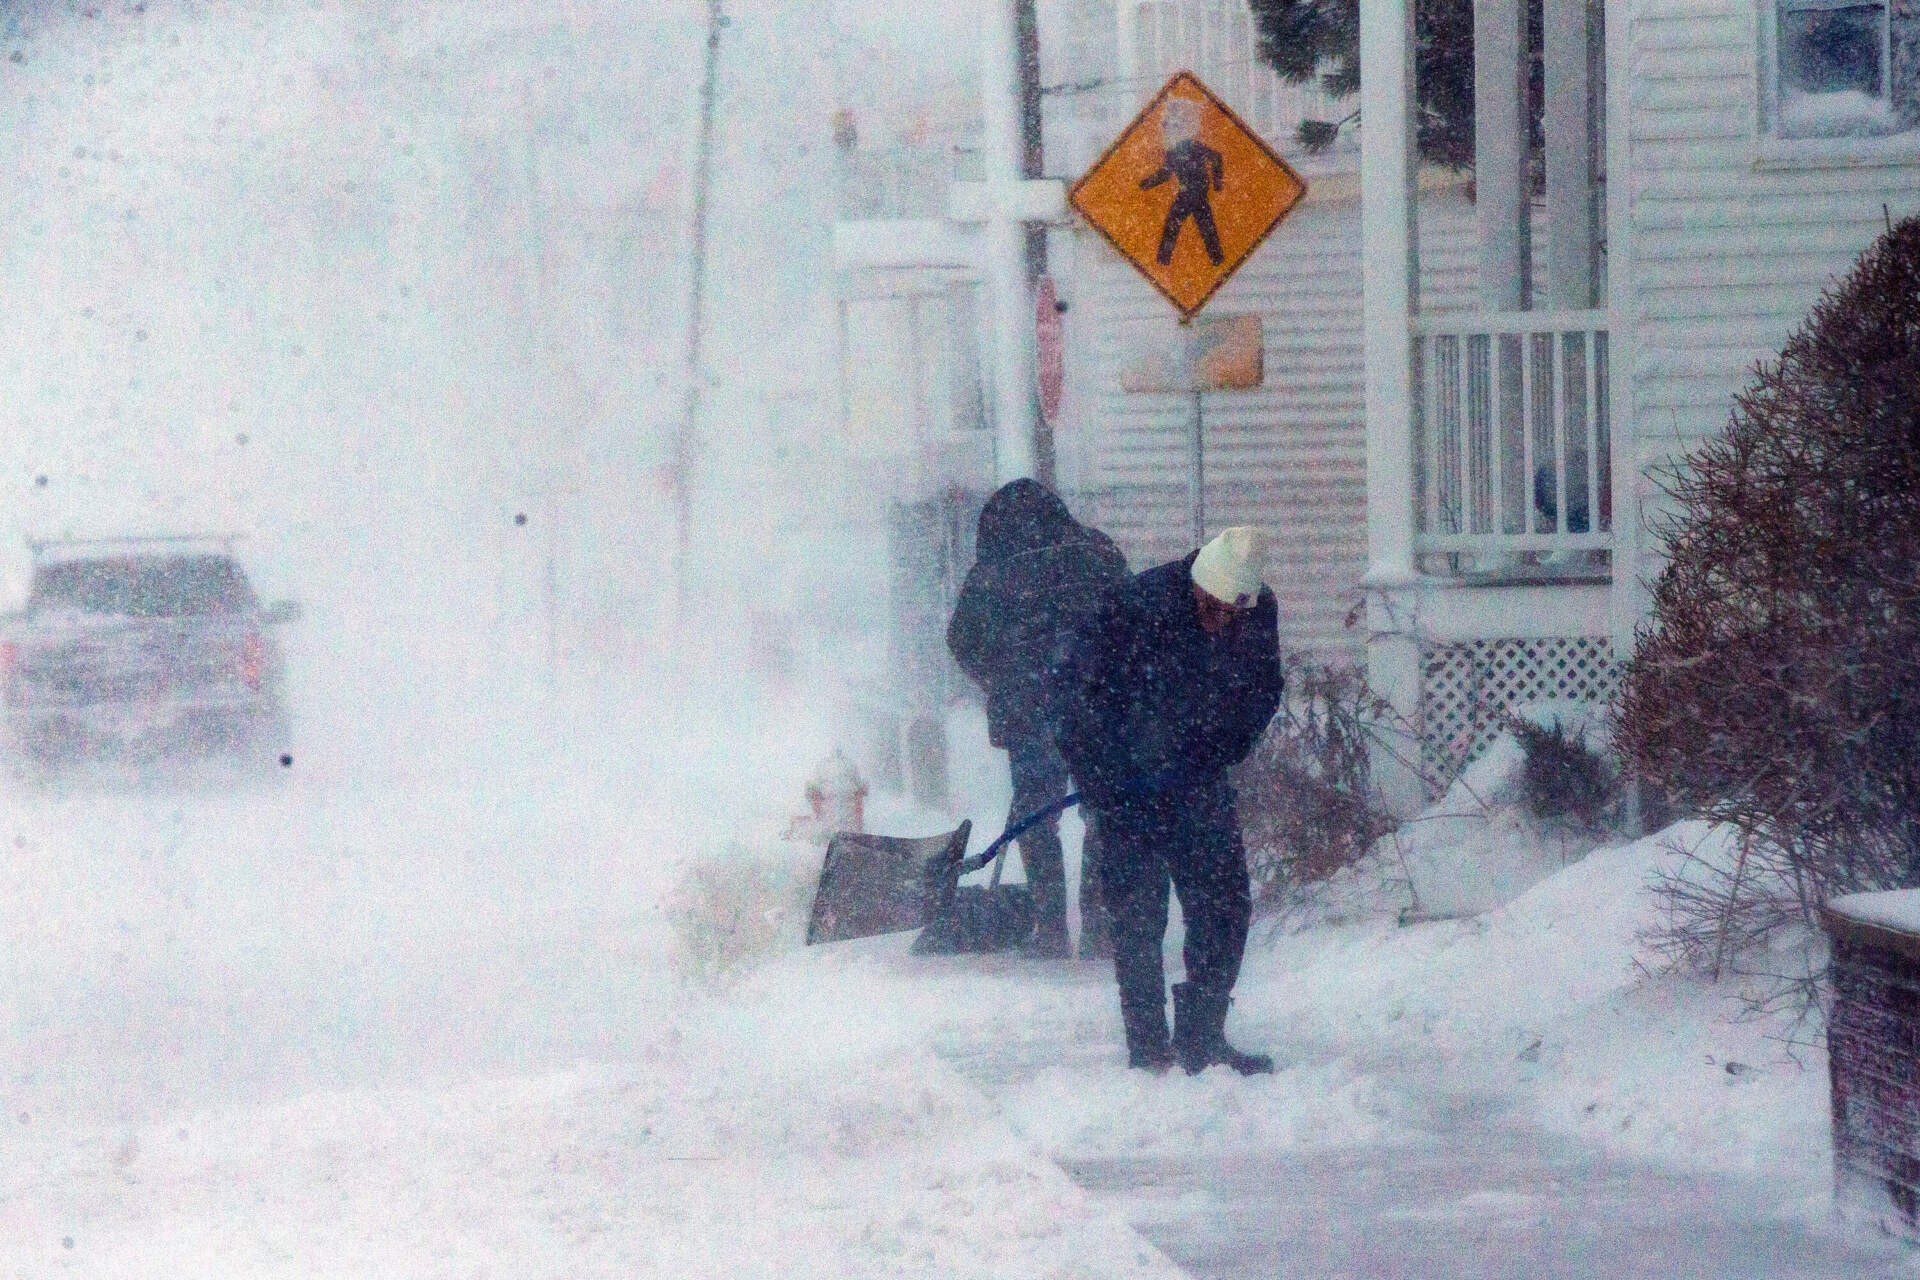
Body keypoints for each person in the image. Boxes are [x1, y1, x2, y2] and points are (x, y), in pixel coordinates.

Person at [1055, 526, 1282, 1074]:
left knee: (1224, 906)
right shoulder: (1135, 605)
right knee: (1137, 916)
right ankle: (1148, 1049)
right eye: (1212, 607)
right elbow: (1076, 695)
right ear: (1197, 585)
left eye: (1233, 612)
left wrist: (1217, 745)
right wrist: (1103, 773)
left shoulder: (1257, 613)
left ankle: (1203, 1039)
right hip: (1125, 791)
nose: (1221, 621)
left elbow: (1261, 690)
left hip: (1198, 783)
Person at [947, 479, 1130, 959]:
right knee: (1103, 812)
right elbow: (1134, 618)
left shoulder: (992, 572)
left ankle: (1049, 929)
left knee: (1035, 817)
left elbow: (961, 640)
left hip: (1030, 712)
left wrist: (1000, 677)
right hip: (1099, 705)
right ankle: (1100, 927)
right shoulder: (1098, 552)